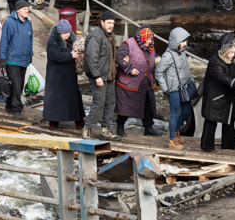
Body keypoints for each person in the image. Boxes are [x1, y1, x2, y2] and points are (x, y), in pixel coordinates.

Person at [200, 33, 235, 153]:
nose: (233, 55)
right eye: (231, 52)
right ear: (225, 51)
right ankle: (207, 145)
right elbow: (223, 78)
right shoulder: (214, 62)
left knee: (230, 119)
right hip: (215, 97)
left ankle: (229, 144)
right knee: (211, 120)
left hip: (228, 96)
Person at [114, 24, 159, 138]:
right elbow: (119, 57)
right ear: (143, 37)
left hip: (146, 81)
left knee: (148, 105)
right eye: (148, 39)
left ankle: (148, 128)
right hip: (130, 82)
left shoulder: (151, 47)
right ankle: (120, 127)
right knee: (126, 105)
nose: (150, 41)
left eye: (151, 39)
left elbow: (152, 63)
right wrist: (129, 69)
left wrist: (154, 77)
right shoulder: (128, 44)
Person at [82, 11, 120, 141]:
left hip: (109, 76)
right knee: (99, 103)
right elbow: (91, 57)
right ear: (102, 22)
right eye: (108, 23)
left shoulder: (110, 36)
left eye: (113, 23)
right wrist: (97, 76)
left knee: (111, 102)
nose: (111, 25)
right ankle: (87, 128)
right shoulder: (95, 36)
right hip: (99, 76)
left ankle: (106, 130)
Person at [156, 27, 194, 150]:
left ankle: (175, 131)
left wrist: (191, 80)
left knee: (187, 112)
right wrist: (165, 88)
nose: (185, 44)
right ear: (176, 41)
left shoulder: (182, 52)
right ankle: (172, 139)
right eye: (183, 41)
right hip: (173, 89)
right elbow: (158, 73)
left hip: (184, 87)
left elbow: (186, 69)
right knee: (175, 114)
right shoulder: (168, 56)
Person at [44, 19, 85, 129]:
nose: (66, 35)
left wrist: (79, 55)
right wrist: (70, 56)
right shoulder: (52, 40)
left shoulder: (72, 39)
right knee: (56, 99)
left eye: (68, 32)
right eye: (64, 33)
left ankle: (79, 121)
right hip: (56, 75)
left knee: (74, 97)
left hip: (70, 74)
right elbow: (54, 56)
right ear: (59, 32)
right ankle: (53, 122)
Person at [0, 0, 33, 120]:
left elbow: (30, 40)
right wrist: (2, 58)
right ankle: (17, 109)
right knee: (17, 85)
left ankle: (9, 104)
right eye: (24, 9)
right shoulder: (9, 22)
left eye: (27, 9)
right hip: (12, 60)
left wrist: (30, 54)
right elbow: (4, 41)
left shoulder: (28, 23)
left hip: (24, 59)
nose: (27, 10)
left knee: (19, 84)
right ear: (18, 10)